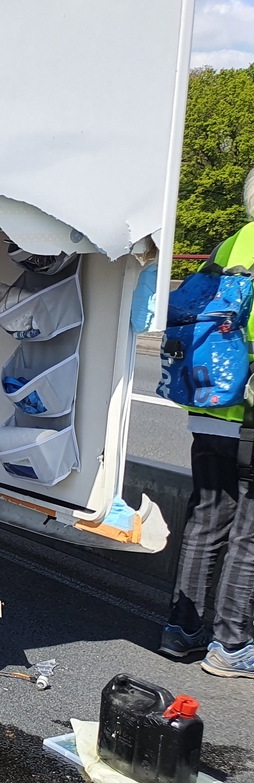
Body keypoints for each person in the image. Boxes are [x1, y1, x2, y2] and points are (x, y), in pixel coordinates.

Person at [162, 167, 254, 675]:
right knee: (250, 528)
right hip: (250, 406)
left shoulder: (233, 243)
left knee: (208, 513)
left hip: (211, 397)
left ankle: (183, 629)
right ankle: (233, 645)